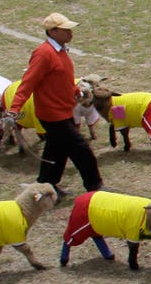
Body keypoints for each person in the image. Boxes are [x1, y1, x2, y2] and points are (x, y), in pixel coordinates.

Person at [9, 13, 102, 196]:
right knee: (81, 149)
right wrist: (14, 109)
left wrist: (77, 92)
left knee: (55, 152)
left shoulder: (61, 51)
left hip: (64, 110)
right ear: (52, 32)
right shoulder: (43, 54)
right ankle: (95, 187)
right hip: (53, 115)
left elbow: (63, 79)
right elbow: (28, 82)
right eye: (65, 30)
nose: (70, 33)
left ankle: (45, 187)